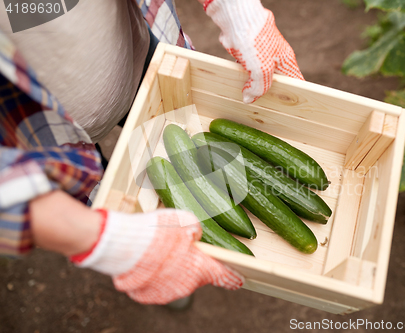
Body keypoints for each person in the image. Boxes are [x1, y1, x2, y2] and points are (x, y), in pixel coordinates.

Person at [0, 0, 303, 305]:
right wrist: (103, 240)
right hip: (31, 136)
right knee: (99, 199)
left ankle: (160, 254)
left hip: (135, 50)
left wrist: (237, 9)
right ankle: (149, 255)